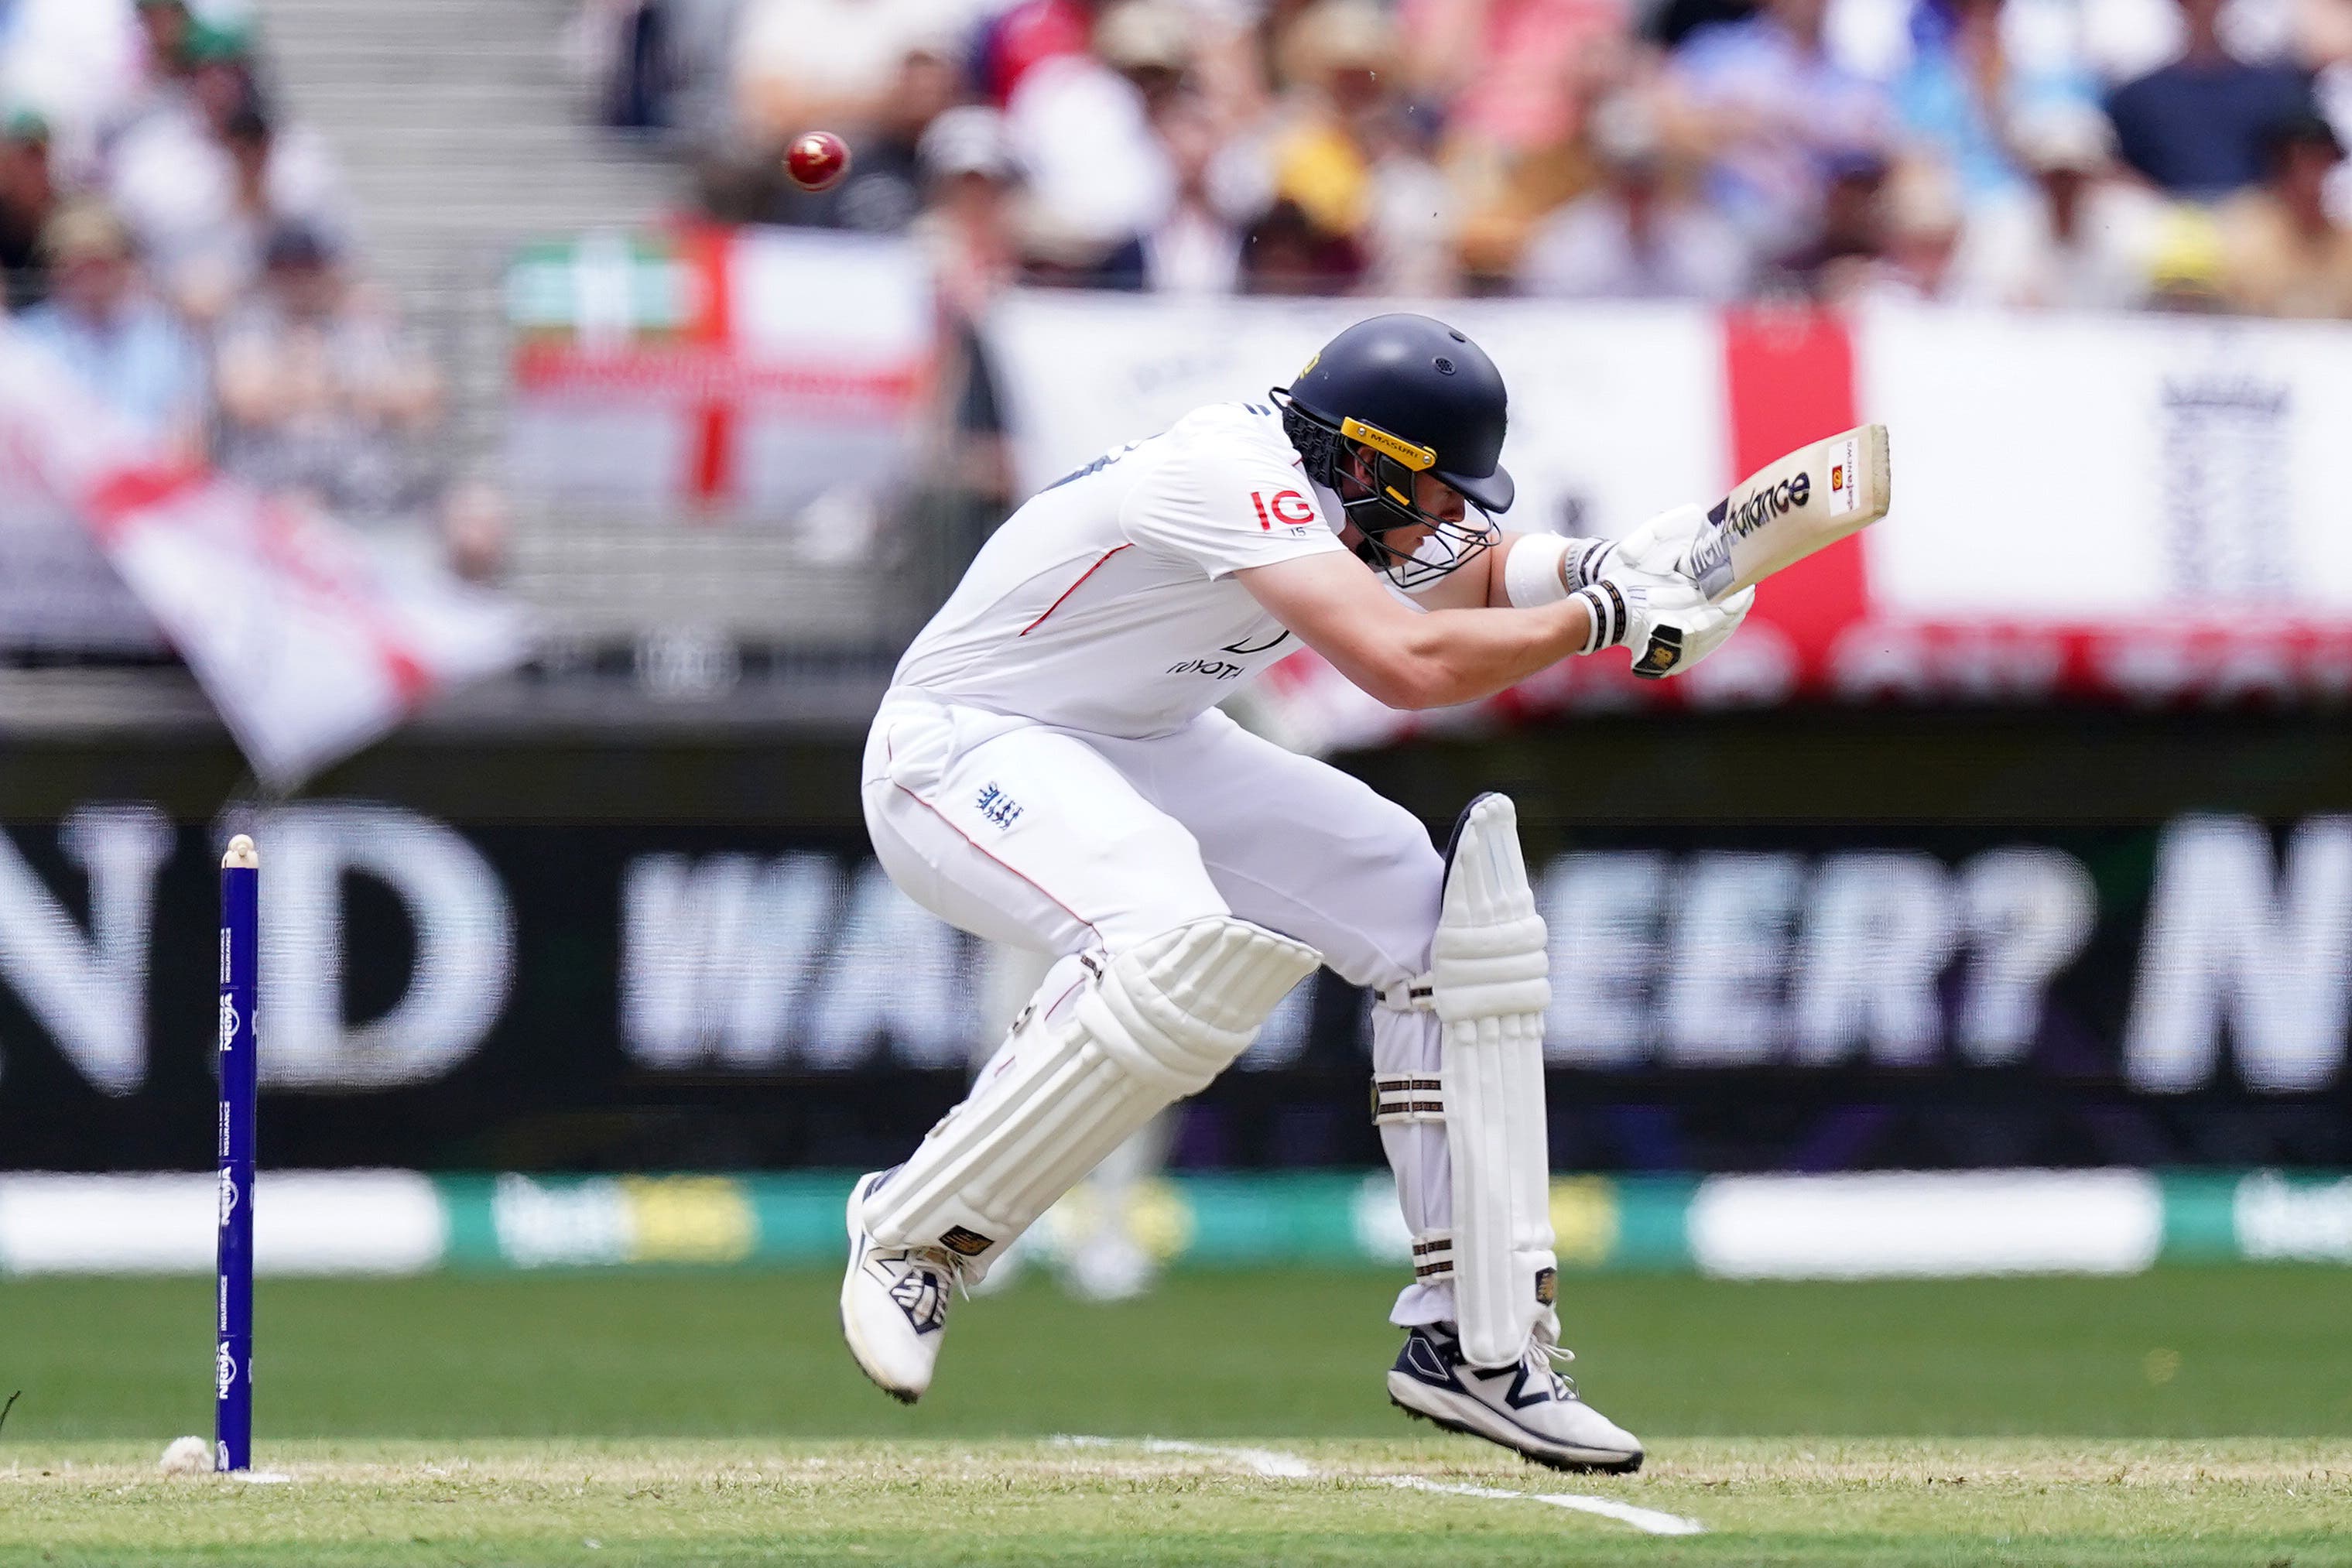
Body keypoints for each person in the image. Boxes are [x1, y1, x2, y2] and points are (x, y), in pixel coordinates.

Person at [837, 313, 1754, 1471]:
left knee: (1438, 924)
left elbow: (1467, 572)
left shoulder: (1343, 493)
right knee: (1170, 938)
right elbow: (1407, 663)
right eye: (1430, 489)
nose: (1445, 516)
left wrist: (1600, 563)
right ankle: (913, 1231)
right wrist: (1605, 619)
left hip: (1142, 736)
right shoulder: (1224, 471)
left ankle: (1476, 1341)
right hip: (963, 749)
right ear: (1365, 457)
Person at [2104, 0, 2316, 200]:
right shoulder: (2137, 98)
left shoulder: (2275, 89)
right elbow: (2121, 170)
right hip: (2170, 226)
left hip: (2261, 223)